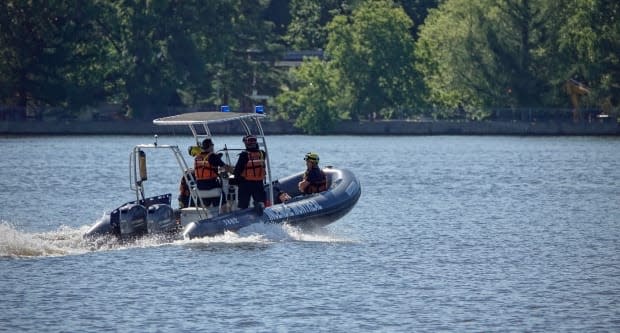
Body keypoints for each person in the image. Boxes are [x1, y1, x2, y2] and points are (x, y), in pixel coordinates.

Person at [194, 138, 232, 207]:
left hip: (200, 186)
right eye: (212, 145)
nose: (213, 146)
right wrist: (236, 171)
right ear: (210, 146)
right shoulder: (213, 156)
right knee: (223, 198)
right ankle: (224, 212)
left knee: (206, 201)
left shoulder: (197, 157)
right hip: (211, 185)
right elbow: (226, 167)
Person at [234, 135, 266, 211]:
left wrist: (237, 181)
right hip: (259, 183)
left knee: (243, 204)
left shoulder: (244, 155)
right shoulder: (262, 154)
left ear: (246, 143)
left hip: (246, 183)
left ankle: (243, 214)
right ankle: (260, 209)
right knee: (260, 201)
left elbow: (237, 171)